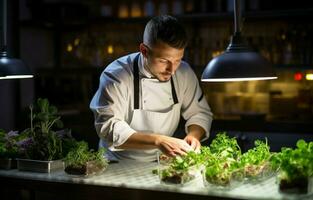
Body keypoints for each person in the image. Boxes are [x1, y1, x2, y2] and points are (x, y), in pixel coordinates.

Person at [90, 15, 213, 162]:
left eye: (178, 60)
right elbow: (109, 127)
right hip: (117, 163)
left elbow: (199, 112)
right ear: (144, 50)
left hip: (160, 162)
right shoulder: (116, 76)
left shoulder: (184, 73)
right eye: (163, 61)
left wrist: (193, 135)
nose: (172, 69)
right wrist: (158, 140)